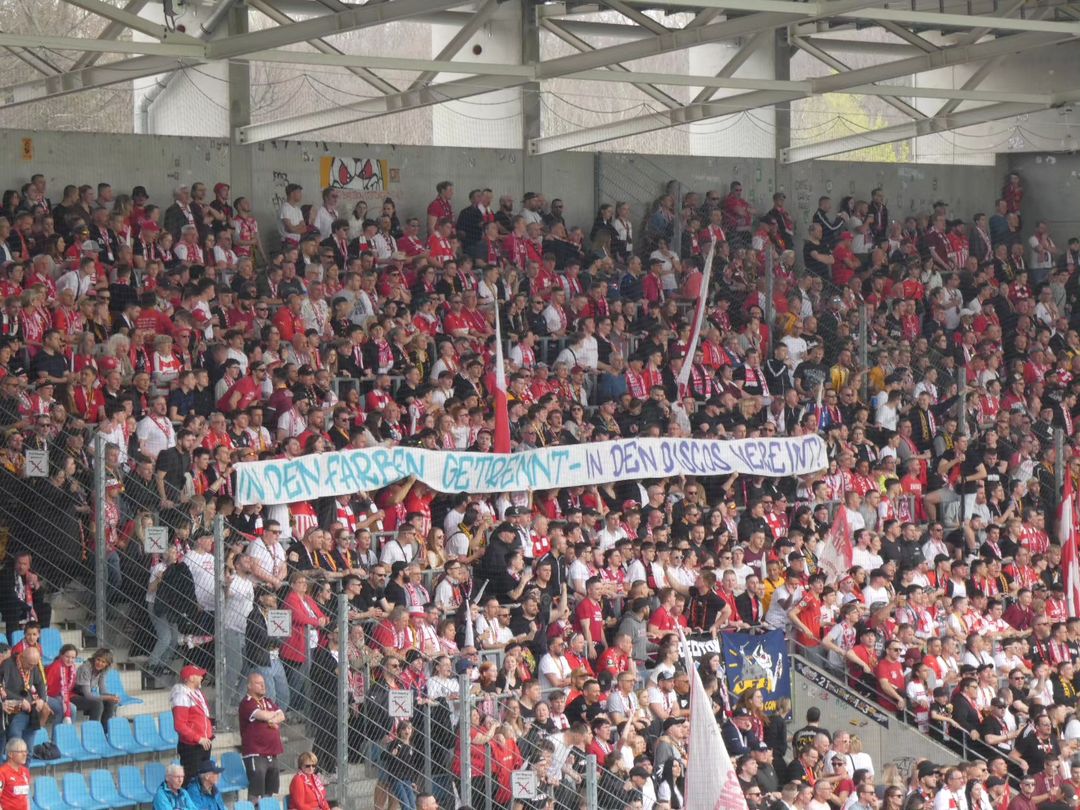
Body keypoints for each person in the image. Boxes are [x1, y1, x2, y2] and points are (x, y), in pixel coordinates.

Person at [238, 672, 285, 803]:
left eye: (263, 683)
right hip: (256, 753)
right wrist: (272, 717)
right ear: (249, 686)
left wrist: (273, 719)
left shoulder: (268, 701)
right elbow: (262, 715)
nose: (263, 686)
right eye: (258, 683)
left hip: (272, 752)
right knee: (256, 791)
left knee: (269, 791)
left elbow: (282, 715)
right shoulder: (247, 703)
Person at [171, 665, 214, 785]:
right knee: (191, 780)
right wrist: (198, 738)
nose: (202, 677)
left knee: (203, 780)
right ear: (191, 678)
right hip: (192, 746)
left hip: (203, 743)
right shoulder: (182, 696)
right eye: (199, 675)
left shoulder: (197, 694)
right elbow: (179, 725)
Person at [0, 646, 49, 749]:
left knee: (29, 747)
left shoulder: (33, 665)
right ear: (22, 657)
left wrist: (42, 699)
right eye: (30, 664)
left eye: (34, 665)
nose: (32, 668)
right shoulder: (8, 665)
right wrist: (21, 700)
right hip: (13, 710)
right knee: (16, 747)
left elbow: (40, 682)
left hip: (30, 710)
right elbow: (2, 689)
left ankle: (27, 760)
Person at [72, 647, 119, 724]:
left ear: (107, 664)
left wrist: (112, 697)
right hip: (74, 695)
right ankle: (93, 729)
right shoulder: (85, 668)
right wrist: (108, 697)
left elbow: (102, 691)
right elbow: (88, 695)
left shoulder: (103, 669)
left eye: (103, 662)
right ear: (94, 658)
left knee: (110, 702)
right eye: (98, 659)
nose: (100, 663)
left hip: (84, 695)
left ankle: (105, 729)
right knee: (97, 704)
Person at [0, 738, 30, 810]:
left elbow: (26, 796)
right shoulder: (2, 773)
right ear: (10, 754)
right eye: (21, 751)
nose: (25, 754)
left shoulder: (25, 771)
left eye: (25, 751)